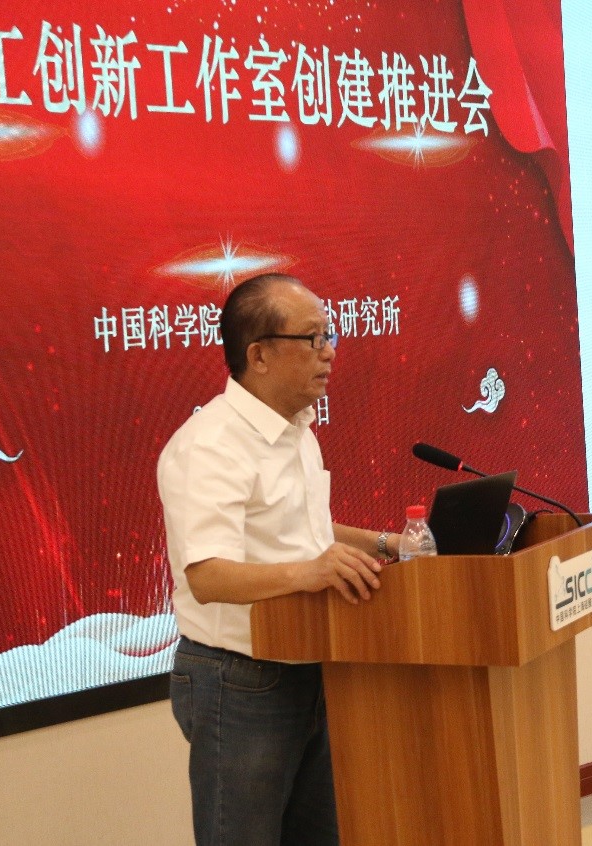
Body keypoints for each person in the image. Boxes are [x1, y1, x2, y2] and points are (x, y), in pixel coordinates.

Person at [157, 273, 399, 845]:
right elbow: (208, 575)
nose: (329, 351)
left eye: (329, 335)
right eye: (312, 338)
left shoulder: (296, 430)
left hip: (310, 662)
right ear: (259, 355)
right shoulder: (211, 444)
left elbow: (300, 532)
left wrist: (387, 544)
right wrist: (311, 572)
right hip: (240, 681)